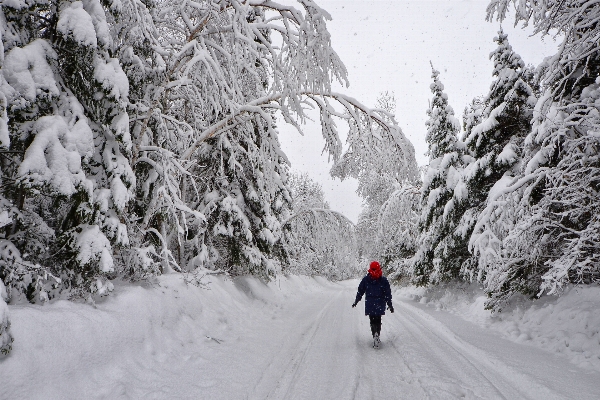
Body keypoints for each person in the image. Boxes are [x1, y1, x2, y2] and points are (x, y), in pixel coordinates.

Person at [352, 261, 394, 348]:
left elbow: (360, 291)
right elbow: (387, 294)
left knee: (372, 320)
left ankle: (374, 334)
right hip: (380, 303)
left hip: (370, 303)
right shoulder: (383, 280)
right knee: (378, 319)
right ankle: (377, 335)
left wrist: (356, 301)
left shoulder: (366, 279)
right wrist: (390, 305)